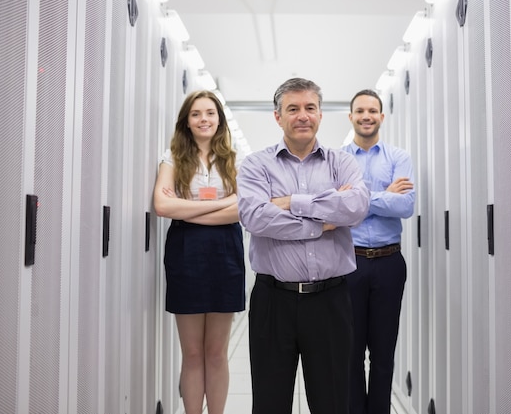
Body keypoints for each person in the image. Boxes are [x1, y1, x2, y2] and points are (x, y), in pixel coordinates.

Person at [236, 77, 370, 414]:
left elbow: (355, 207)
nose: (302, 115)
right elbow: (255, 217)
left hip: (330, 301)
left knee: (333, 402)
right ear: (277, 116)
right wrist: (322, 221)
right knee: (270, 401)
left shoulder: (341, 163)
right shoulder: (255, 165)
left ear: (321, 115)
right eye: (292, 108)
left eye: (310, 108)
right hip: (273, 301)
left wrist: (289, 202)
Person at [153, 90, 245, 414]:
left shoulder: (234, 159)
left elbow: (242, 210)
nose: (203, 119)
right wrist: (224, 202)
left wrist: (188, 207)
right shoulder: (173, 157)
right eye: (196, 114)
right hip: (185, 251)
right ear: (187, 121)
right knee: (192, 352)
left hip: (226, 252)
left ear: (219, 119)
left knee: (216, 352)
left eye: (209, 113)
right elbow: (162, 206)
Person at [342, 89, 416, 414]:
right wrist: (383, 195)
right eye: (360, 111)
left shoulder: (399, 158)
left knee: (383, 354)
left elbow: (406, 205)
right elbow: (337, 208)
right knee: (351, 353)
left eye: (372, 111)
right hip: (349, 263)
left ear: (381, 117)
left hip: (389, 264)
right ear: (351, 117)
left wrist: (361, 198)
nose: (366, 116)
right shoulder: (339, 159)